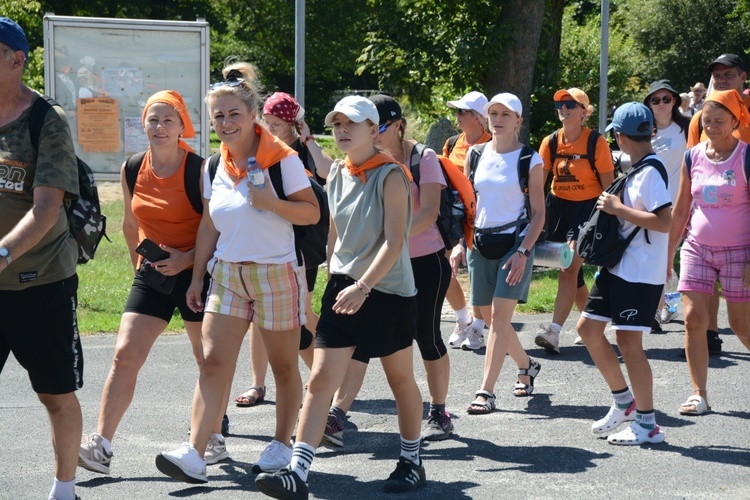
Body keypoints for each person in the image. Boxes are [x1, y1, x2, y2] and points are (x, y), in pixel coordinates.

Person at [155, 62, 319, 484]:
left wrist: (271, 203)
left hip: (275, 274)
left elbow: (311, 212)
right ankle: (195, 453)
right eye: (218, 117)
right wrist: (195, 278)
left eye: (233, 115)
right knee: (212, 363)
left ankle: (282, 443)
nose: (226, 123)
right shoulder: (215, 165)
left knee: (284, 367)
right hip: (226, 274)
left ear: (253, 116)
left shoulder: (283, 162)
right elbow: (209, 223)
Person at [255, 95, 426, 498]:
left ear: (374, 129)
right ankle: (297, 472)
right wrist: (329, 271)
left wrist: (363, 286)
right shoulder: (338, 175)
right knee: (320, 380)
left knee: (399, 378)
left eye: (352, 123)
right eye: (337, 124)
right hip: (344, 287)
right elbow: (334, 234)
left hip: (386, 291)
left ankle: (412, 461)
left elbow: (394, 240)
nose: (343, 130)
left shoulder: (392, 175)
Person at [77, 90, 226, 475]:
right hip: (154, 272)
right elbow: (129, 224)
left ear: (181, 127)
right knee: (124, 354)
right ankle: (101, 446)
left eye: (168, 121)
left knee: (207, 359)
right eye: (152, 120)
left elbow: (220, 230)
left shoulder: (200, 169)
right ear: (142, 124)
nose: (159, 128)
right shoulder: (132, 168)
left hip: (199, 271)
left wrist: (187, 260)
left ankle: (211, 437)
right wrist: (138, 267)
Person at [320, 94, 453, 447]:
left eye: (385, 124)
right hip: (370, 268)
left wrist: (380, 241)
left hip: (423, 260)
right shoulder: (351, 165)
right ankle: (337, 414)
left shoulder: (420, 158)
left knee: (426, 335)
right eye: (339, 124)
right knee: (357, 343)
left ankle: (439, 410)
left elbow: (428, 214)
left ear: (392, 126)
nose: (383, 130)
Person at [0, 17, 83, 500]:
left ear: (17, 60)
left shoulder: (45, 121)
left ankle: (64, 489)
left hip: (40, 282)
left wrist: (5, 251)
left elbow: (48, 207)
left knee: (53, 393)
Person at [577, 102, 671, 445]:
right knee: (587, 329)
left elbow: (664, 223)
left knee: (630, 343)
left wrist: (619, 209)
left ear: (617, 136)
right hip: (619, 267)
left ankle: (648, 425)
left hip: (640, 273)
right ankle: (624, 403)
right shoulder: (638, 167)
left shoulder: (651, 172)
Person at [233, 91, 333, 408]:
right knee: (259, 318)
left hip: (302, 247)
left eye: (279, 123)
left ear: (292, 123)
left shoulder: (301, 153)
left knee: (301, 319)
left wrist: (309, 139)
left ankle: (330, 368)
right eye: (268, 121)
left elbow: (326, 174)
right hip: (267, 246)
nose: (272, 128)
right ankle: (257, 384)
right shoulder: (260, 150)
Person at [450, 93, 546, 414]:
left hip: (514, 247)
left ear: (518, 120)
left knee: (501, 319)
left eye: (506, 114)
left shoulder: (529, 159)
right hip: (480, 245)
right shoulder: (475, 154)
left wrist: (523, 251)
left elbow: (538, 214)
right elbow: (468, 206)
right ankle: (527, 365)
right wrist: (459, 243)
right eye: (493, 113)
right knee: (492, 321)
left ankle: (486, 392)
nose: (498, 119)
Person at [668, 89, 750, 416]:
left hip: (739, 253)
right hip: (697, 249)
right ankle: (699, 394)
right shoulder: (692, 156)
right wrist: (667, 256)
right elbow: (680, 211)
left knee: (742, 327)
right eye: (707, 121)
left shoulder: (746, 156)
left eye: (720, 121)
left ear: (735, 120)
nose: (712, 127)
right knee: (693, 319)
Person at [536, 88, 616, 352]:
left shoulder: (596, 142)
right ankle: (590, 326)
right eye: (560, 103)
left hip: (588, 210)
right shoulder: (550, 142)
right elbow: (539, 181)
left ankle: (554, 332)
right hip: (557, 207)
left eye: (570, 104)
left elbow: (609, 187)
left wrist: (608, 220)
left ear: (584, 111)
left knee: (567, 266)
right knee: (574, 273)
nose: (564, 107)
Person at [686, 53, 750, 355]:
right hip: (710, 223)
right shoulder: (701, 118)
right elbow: (694, 168)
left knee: (742, 321)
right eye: (717, 75)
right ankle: (709, 332)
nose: (722, 79)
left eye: (729, 74)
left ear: (743, 78)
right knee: (705, 277)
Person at [442, 91, 492, 350]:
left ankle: (478, 329)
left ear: (479, 118)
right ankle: (463, 319)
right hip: (451, 215)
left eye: (463, 112)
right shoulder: (451, 143)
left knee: (477, 274)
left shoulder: (493, 144)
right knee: (443, 267)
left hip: (480, 217)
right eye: (457, 111)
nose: (457, 116)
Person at [643, 80, 690, 326]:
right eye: (655, 100)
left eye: (666, 99)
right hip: (650, 205)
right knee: (658, 255)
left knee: (665, 254)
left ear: (674, 101)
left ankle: (661, 306)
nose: (661, 104)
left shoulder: (687, 128)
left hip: (680, 205)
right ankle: (666, 306)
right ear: (649, 104)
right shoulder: (643, 131)